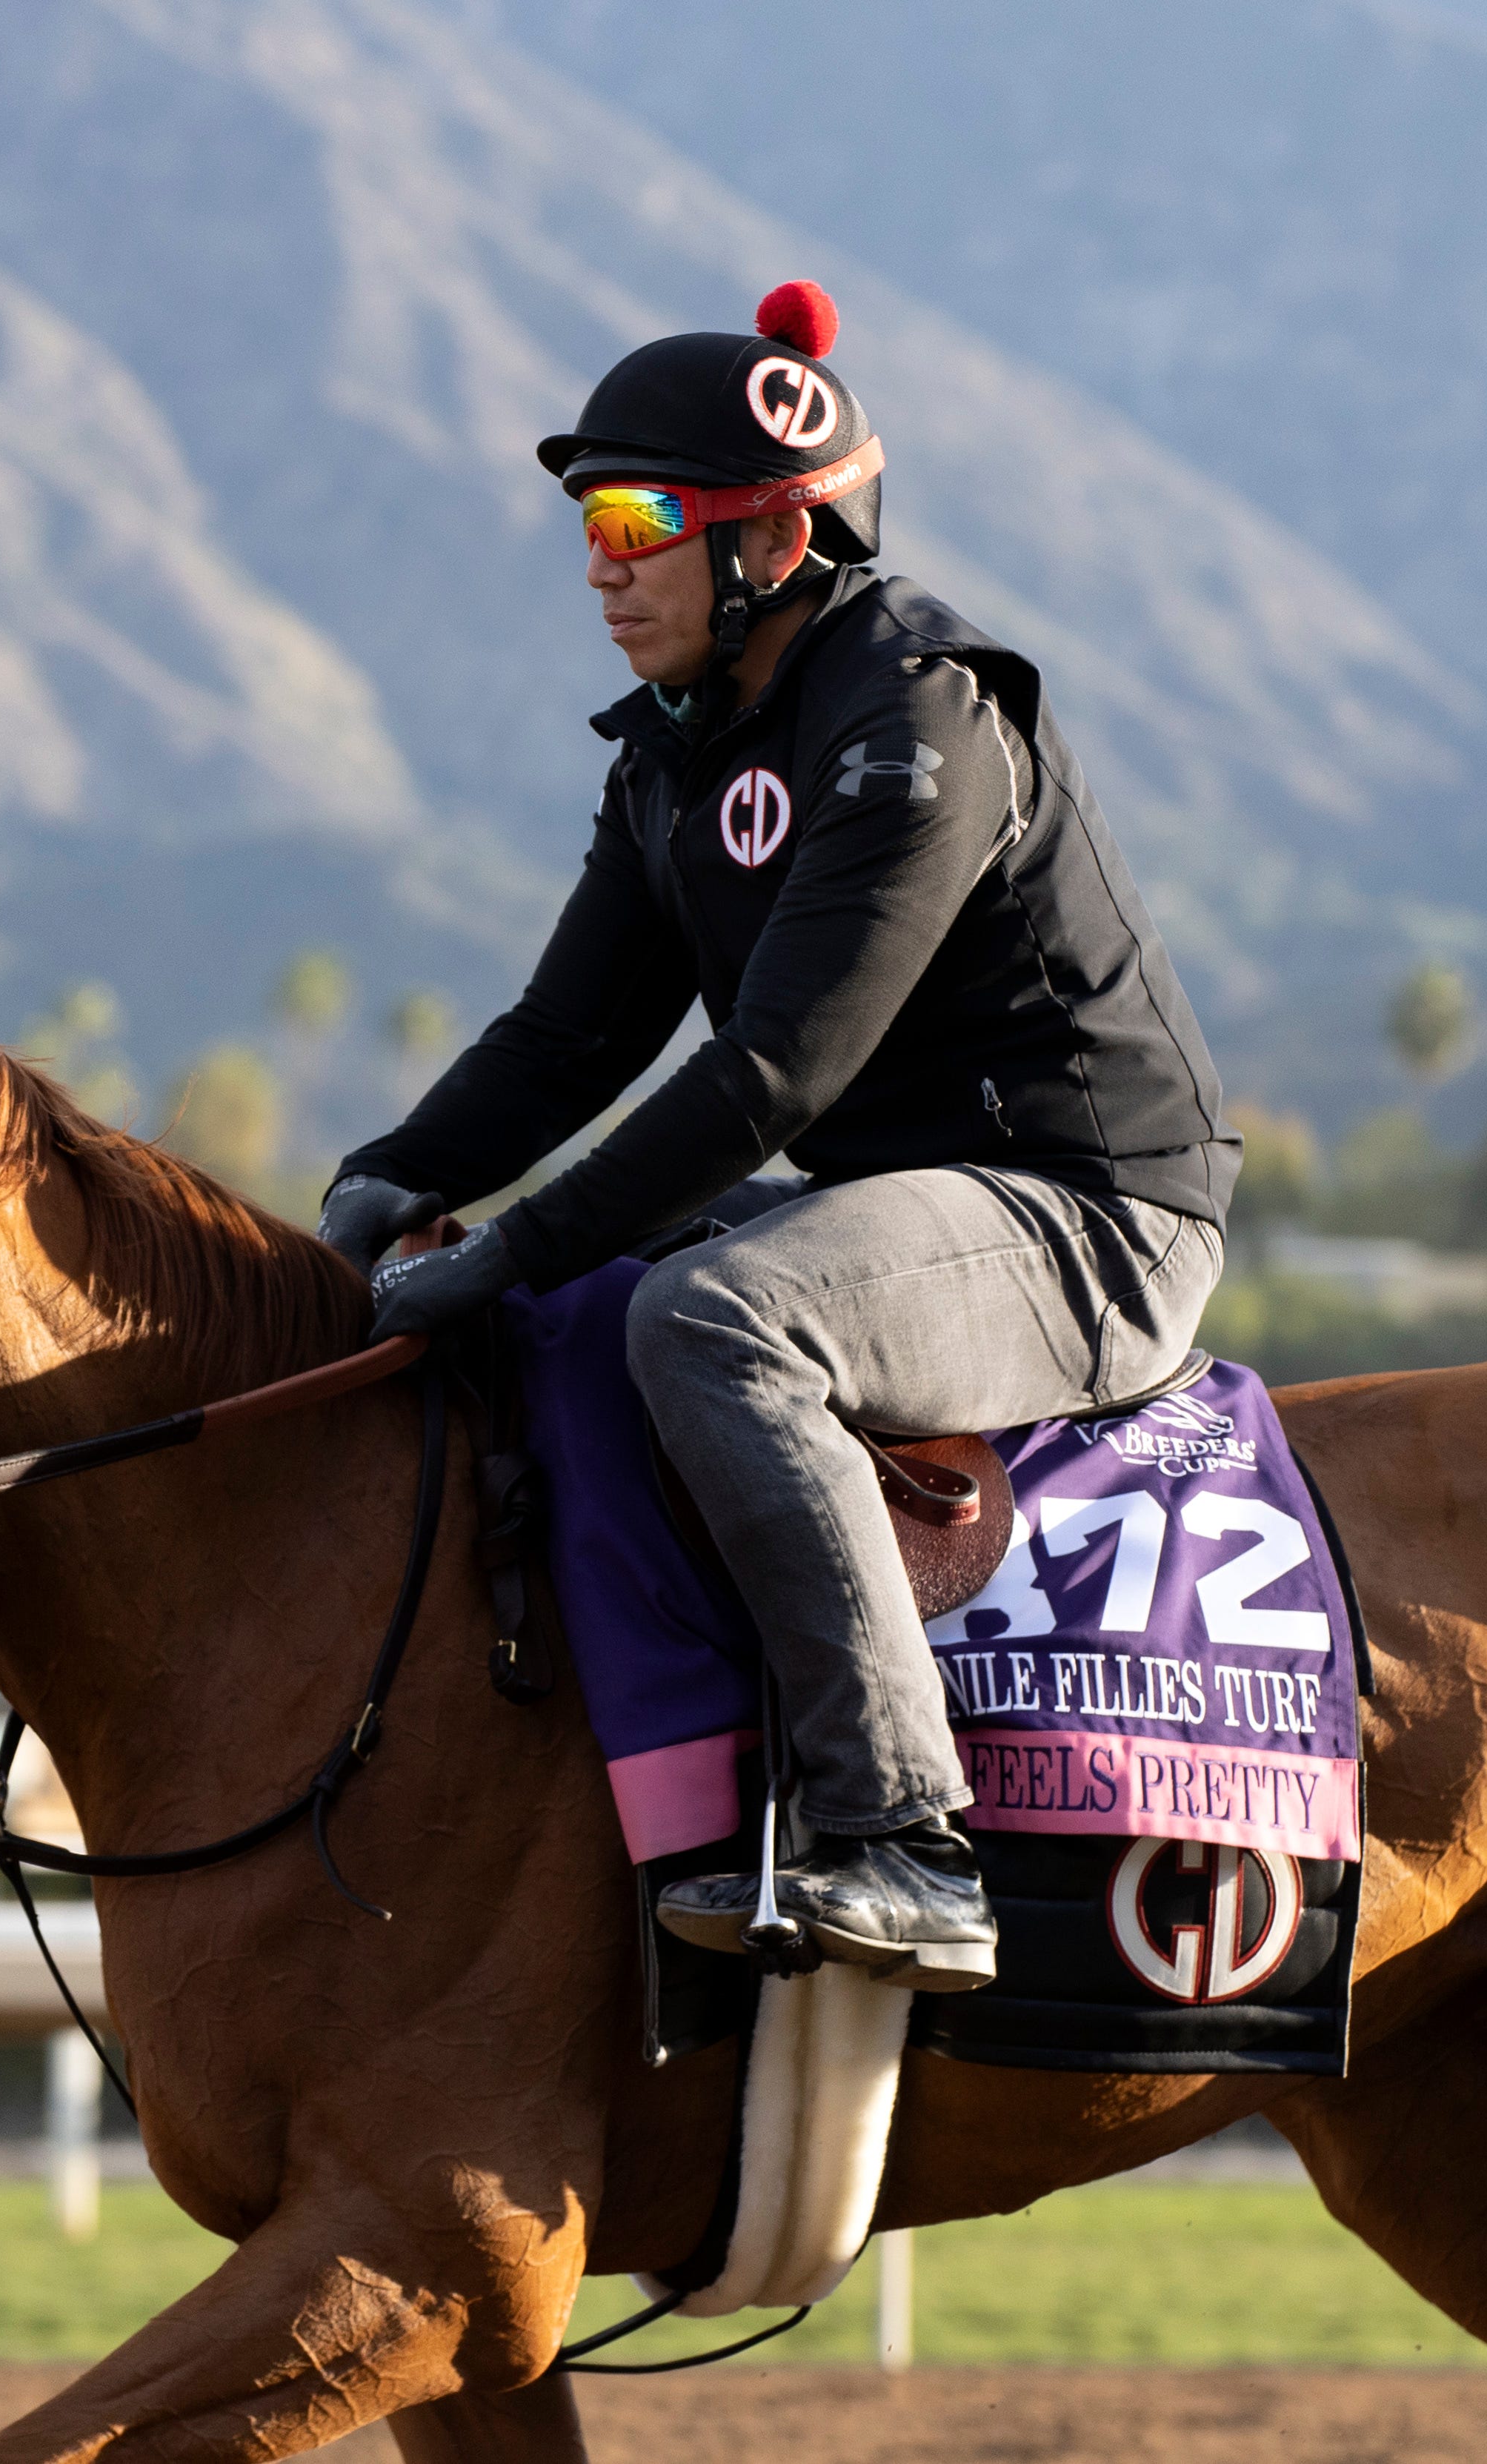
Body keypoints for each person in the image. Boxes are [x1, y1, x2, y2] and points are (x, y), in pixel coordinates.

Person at [318, 282, 1237, 1990]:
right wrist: (391, 1183)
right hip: (904, 1203)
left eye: (638, 519)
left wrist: (519, 1235)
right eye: (591, 522)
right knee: (559, 1311)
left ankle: (901, 1838)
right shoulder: (676, 755)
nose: (601, 560)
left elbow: (772, 1079)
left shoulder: (920, 717)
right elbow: (565, 1040)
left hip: (1095, 1220)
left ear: (776, 535)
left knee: (713, 1313)